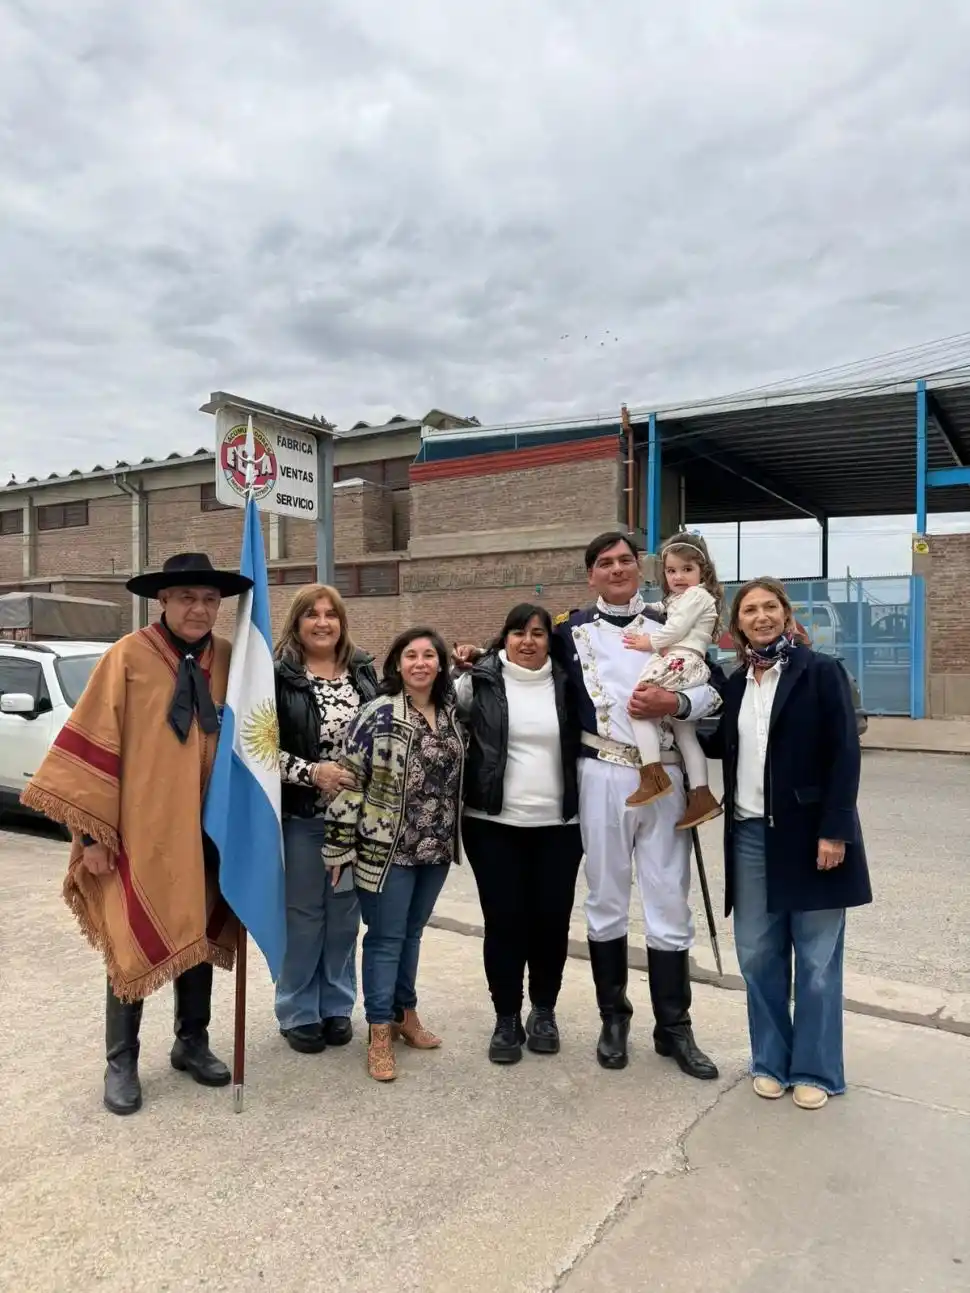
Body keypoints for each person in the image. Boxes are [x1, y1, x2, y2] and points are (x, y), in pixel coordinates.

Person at [456, 531, 724, 1081]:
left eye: (626, 560)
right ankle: (613, 1018)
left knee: (669, 899)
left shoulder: (670, 621)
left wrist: (677, 701)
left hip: (667, 771)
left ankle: (674, 1026)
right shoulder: (566, 630)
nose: (618, 569)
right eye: (606, 563)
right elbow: (513, 651)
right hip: (600, 771)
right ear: (591, 574)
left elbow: (714, 687)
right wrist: (470, 656)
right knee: (604, 896)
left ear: (639, 569)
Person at [21, 553, 252, 1115]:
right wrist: (91, 834)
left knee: (196, 932)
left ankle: (191, 1041)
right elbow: (88, 744)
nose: (199, 609)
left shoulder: (228, 658)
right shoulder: (127, 658)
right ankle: (121, 1060)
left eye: (209, 599)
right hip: (137, 830)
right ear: (164, 601)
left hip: (208, 828)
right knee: (128, 940)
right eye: (187, 598)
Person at [701, 578, 871, 1109]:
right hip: (750, 834)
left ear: (786, 614)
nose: (760, 616)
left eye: (769, 606)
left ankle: (817, 1070)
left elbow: (844, 753)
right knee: (757, 954)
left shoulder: (820, 672)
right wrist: (669, 702)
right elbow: (711, 737)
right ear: (737, 626)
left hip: (812, 834)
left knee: (818, 959)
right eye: (749, 609)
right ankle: (770, 1060)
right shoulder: (734, 683)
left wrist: (835, 829)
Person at [323, 627, 464, 1083]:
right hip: (386, 848)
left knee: (413, 934)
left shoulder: (451, 713)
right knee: (385, 938)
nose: (420, 663)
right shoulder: (378, 713)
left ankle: (406, 1014)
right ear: (397, 665)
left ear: (440, 664)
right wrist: (339, 846)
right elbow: (349, 779)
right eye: (411, 656)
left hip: (437, 845)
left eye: (429, 655)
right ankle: (379, 1029)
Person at [455, 604, 583, 1065]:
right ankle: (506, 1016)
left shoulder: (570, 684)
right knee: (505, 922)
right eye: (517, 632)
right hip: (493, 825)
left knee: (551, 921)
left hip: (560, 826)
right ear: (503, 637)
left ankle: (543, 1011)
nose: (527, 641)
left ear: (551, 640)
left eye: (537, 633)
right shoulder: (478, 682)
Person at [273, 584, 379, 1054]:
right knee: (304, 916)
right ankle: (297, 1009)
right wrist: (312, 772)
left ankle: (336, 1005)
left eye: (330, 614)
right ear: (296, 624)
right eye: (311, 615)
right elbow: (256, 749)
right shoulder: (280, 678)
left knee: (343, 916)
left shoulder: (363, 672)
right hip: (302, 818)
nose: (322, 622)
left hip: (355, 821)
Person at [623, 532, 724, 829]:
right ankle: (701, 796)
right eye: (671, 570)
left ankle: (652, 774)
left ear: (702, 571)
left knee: (639, 707)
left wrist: (647, 642)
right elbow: (664, 612)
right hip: (691, 663)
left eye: (687, 569)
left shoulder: (696, 595)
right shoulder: (685, 597)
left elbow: (674, 629)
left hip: (681, 658)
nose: (678, 576)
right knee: (685, 733)